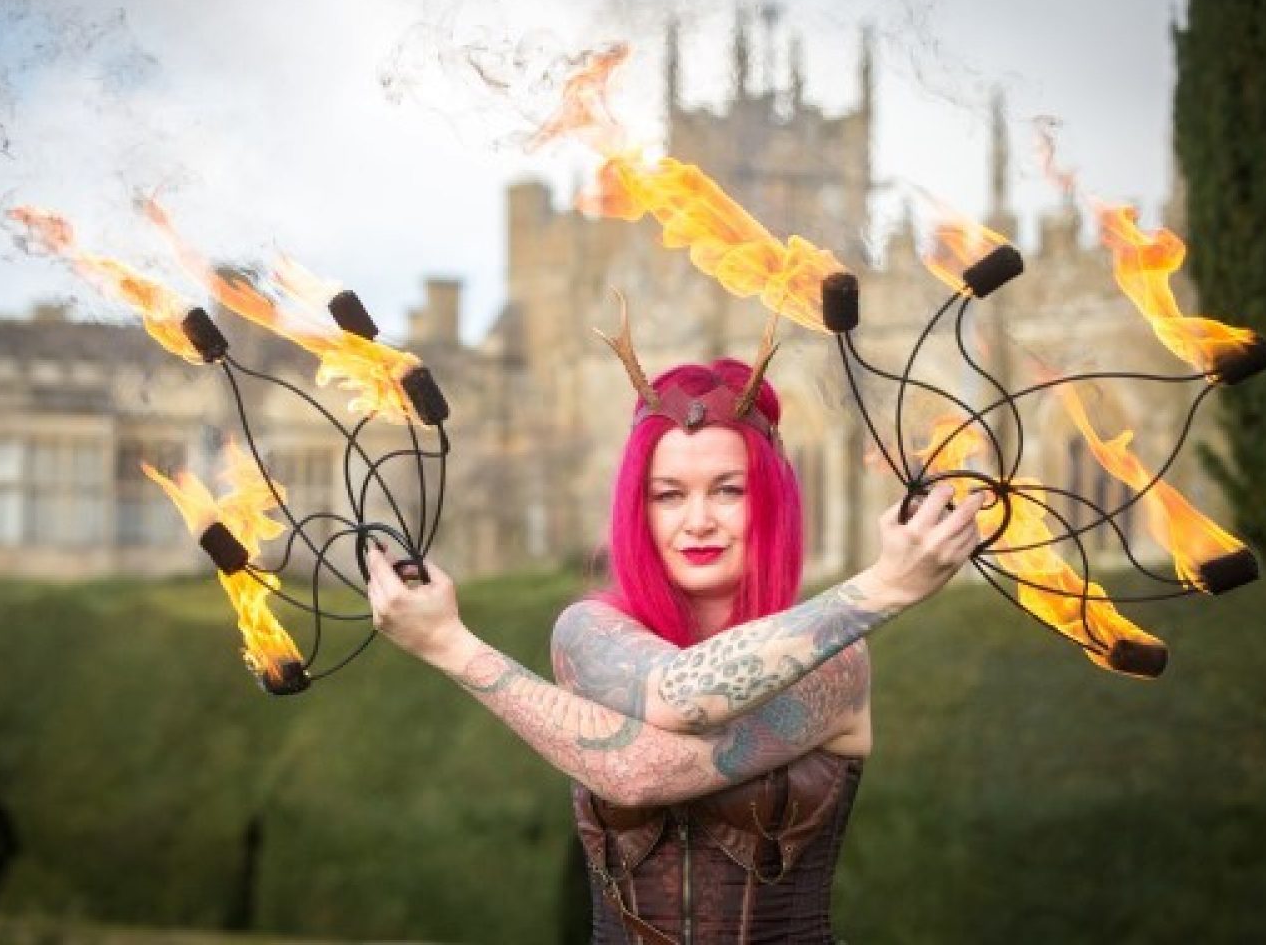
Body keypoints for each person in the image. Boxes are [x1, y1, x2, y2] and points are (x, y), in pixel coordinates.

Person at [365, 354, 984, 943]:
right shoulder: (589, 633)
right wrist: (884, 587)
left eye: (728, 490)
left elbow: (646, 757)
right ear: (640, 509)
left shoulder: (835, 660)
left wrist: (452, 646)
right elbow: (656, 732)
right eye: (668, 495)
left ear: (770, 499)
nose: (698, 521)